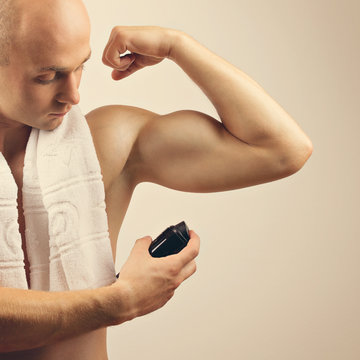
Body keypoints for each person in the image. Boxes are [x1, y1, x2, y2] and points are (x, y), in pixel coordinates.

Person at [0, 0, 312, 358]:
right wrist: (120, 302)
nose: (73, 95)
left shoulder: (104, 142)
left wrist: (177, 45)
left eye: (80, 67)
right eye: (48, 75)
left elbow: (282, 149)